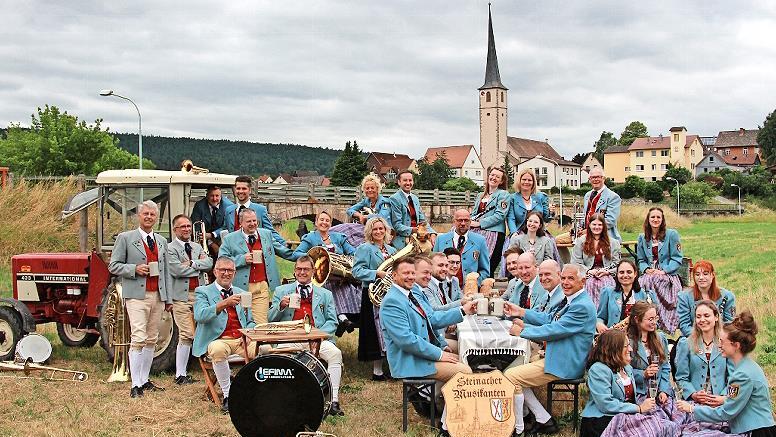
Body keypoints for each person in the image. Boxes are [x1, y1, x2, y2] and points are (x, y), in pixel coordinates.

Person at [379, 257, 477, 435]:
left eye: (412, 273)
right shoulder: (392, 301)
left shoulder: (409, 294)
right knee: (464, 372)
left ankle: (442, 404)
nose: (410, 276)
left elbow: (431, 320)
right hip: (410, 361)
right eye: (405, 273)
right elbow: (406, 340)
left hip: (420, 354)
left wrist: (462, 311)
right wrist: (439, 354)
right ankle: (447, 426)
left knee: (465, 356)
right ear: (394, 276)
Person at [503, 263, 597, 435]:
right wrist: (521, 312)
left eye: (571, 278)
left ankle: (519, 427)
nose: (565, 282)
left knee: (511, 376)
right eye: (563, 278)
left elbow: (554, 330)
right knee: (514, 366)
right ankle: (541, 418)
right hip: (557, 355)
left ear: (583, 281)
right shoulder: (571, 299)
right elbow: (549, 319)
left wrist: (522, 332)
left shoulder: (581, 306)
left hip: (565, 364)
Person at [108, 200, 173, 398]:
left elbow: (166, 271)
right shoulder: (126, 238)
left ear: (156, 217)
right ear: (139, 216)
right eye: (145, 214)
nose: (149, 217)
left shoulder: (161, 241)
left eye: (152, 214)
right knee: (138, 337)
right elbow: (113, 265)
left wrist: (168, 298)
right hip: (136, 295)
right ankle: (135, 384)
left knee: (152, 338)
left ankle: (145, 379)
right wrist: (134, 269)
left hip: (158, 295)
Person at [268, 256, 345, 416]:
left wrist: (319, 336)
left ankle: (333, 401)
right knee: (279, 358)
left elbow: (333, 321)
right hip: (290, 338)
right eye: (299, 269)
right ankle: (283, 399)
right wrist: (280, 306)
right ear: (294, 271)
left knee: (335, 354)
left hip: (317, 339)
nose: (302, 272)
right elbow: (270, 319)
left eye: (306, 269)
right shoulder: (281, 291)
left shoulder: (325, 294)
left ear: (313, 271)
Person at [678, 311, 776, 436]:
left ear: (736, 345)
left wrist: (691, 409)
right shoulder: (748, 366)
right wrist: (725, 399)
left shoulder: (741, 375)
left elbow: (726, 412)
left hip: (756, 432)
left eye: (722, 341)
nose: (719, 345)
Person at [192, 257, 255, 414]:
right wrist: (223, 304)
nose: (226, 273)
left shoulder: (242, 293)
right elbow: (199, 315)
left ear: (235, 273)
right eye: (222, 270)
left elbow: (251, 321)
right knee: (217, 349)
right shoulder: (203, 291)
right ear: (215, 272)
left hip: (241, 340)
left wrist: (248, 334)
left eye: (230, 270)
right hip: (218, 340)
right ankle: (228, 395)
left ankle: (257, 391)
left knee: (265, 349)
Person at [580, 329, 656, 437]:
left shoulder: (627, 368)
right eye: (626, 346)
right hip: (602, 420)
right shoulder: (598, 370)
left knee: (660, 426)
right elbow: (606, 404)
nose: (630, 349)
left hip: (625, 416)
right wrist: (638, 408)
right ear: (613, 349)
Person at [167, 214, 213, 385]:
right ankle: (180, 374)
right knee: (186, 334)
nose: (186, 229)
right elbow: (177, 270)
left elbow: (209, 264)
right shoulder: (170, 249)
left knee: (204, 330)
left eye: (188, 226)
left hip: (199, 295)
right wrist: (199, 265)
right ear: (175, 230)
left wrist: (192, 263)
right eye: (182, 227)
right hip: (181, 297)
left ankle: (198, 369)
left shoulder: (196, 246)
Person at [218, 208, 283, 325]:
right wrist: (242, 259)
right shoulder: (229, 239)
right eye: (249, 221)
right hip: (240, 288)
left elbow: (282, 250)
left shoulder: (266, 234)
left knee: (260, 324)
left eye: (254, 220)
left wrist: (302, 255)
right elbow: (222, 261)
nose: (253, 224)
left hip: (261, 287)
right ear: (241, 223)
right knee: (242, 322)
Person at [351, 216, 396, 380]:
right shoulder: (364, 248)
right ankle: (377, 371)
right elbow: (356, 271)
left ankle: (393, 367)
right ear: (370, 231)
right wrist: (376, 273)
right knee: (376, 331)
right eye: (375, 229)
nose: (378, 231)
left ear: (386, 230)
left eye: (381, 228)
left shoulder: (392, 250)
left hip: (390, 294)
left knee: (391, 329)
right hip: (373, 294)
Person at [674, 300, 730, 406]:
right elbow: (681, 378)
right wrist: (693, 394)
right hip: (694, 403)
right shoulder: (686, 344)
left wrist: (723, 397)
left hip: (721, 403)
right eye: (698, 316)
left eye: (706, 316)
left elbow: (733, 377)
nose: (702, 320)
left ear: (716, 317)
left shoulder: (726, 343)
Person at [636, 207, 683, 333]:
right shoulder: (642, 237)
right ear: (648, 219)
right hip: (650, 273)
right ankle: (646, 319)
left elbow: (677, 258)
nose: (655, 219)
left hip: (667, 273)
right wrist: (646, 269)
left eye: (658, 217)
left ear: (662, 220)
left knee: (658, 280)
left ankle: (663, 320)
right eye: (653, 217)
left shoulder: (671, 234)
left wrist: (664, 271)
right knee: (642, 283)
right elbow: (641, 260)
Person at [223, 175, 288, 249]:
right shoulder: (229, 210)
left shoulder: (260, 210)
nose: (240, 191)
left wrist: (284, 244)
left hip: (255, 251)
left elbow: (270, 231)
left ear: (250, 190)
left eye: (244, 188)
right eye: (238, 188)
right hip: (234, 252)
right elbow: (224, 230)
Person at [626, 301, 672, 403]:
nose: (654, 322)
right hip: (638, 394)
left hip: (659, 393)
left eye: (655, 318)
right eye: (650, 319)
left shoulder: (660, 338)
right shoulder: (628, 342)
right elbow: (624, 371)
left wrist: (664, 390)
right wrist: (643, 374)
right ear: (637, 319)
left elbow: (665, 366)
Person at [571, 213, 621, 307]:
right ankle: (591, 310)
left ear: (604, 226)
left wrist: (607, 272)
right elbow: (575, 262)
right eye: (594, 224)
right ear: (589, 225)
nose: (597, 227)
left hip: (606, 274)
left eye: (600, 225)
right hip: (587, 275)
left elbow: (618, 265)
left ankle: (605, 311)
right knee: (590, 284)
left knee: (606, 286)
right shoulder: (581, 241)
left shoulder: (613, 243)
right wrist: (588, 271)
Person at [676, 260, 736, 337]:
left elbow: (729, 324)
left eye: (705, 274)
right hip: (692, 338)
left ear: (712, 275)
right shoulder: (684, 296)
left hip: (719, 338)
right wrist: (703, 338)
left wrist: (715, 337)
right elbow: (684, 326)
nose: (701, 277)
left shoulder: (728, 296)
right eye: (697, 274)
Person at [470, 166, 511, 276]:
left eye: (497, 177)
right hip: (477, 233)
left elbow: (500, 215)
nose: (493, 178)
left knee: (487, 266)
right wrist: (469, 221)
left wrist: (480, 223)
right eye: (492, 175)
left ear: (501, 181)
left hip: (494, 233)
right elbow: (474, 213)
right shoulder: (480, 195)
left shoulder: (503, 194)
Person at [596, 260, 657, 333]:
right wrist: (599, 324)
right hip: (614, 336)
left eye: (629, 272)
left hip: (637, 336)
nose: (625, 275)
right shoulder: (607, 292)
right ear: (617, 274)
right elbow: (600, 317)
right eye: (621, 272)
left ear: (635, 274)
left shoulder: (643, 294)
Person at [432, 209, 490, 285]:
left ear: (470, 222)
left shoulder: (480, 241)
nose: (463, 223)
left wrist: (473, 284)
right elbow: (433, 266)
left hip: (469, 289)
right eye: (460, 220)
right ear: (454, 221)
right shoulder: (441, 239)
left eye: (466, 220)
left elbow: (485, 271)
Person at [414, 256, 458, 354]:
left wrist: (442, 344)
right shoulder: (421, 289)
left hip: (436, 339)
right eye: (440, 265)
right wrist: (439, 353)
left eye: (446, 265)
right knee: (467, 352)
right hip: (425, 350)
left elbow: (431, 321)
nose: (429, 277)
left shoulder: (426, 287)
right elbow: (434, 314)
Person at [389, 170, 436, 250]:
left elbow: (422, 221)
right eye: (405, 180)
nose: (408, 183)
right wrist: (413, 230)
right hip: (402, 241)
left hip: (416, 238)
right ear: (399, 182)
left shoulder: (415, 198)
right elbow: (396, 225)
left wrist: (432, 233)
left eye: (410, 180)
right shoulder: (394, 199)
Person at [190, 185, 234, 257]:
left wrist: (212, 235)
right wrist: (211, 243)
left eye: (217, 196)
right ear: (207, 196)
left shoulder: (229, 206)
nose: (214, 199)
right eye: (212, 196)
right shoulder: (199, 206)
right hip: (204, 240)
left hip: (222, 237)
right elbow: (196, 228)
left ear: (221, 196)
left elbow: (228, 227)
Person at [582, 168, 622, 242]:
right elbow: (585, 216)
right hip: (585, 235)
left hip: (604, 237)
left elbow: (610, 221)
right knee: (559, 240)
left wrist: (589, 230)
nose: (595, 179)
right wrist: (578, 228)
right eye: (593, 177)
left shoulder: (613, 197)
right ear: (589, 179)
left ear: (604, 178)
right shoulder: (587, 195)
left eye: (598, 177)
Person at [506, 168, 550, 234]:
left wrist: (551, 212)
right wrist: (514, 233)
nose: (526, 182)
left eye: (529, 180)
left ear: (533, 182)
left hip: (538, 233)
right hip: (519, 233)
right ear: (519, 181)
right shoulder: (512, 198)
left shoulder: (542, 197)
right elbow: (511, 218)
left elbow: (546, 218)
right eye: (524, 179)